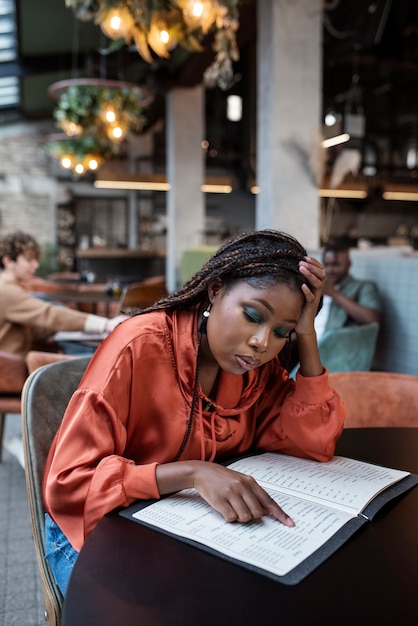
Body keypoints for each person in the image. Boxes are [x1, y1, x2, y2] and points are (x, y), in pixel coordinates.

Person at [43, 229, 346, 595]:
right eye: (253, 315)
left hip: (187, 530)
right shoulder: (138, 346)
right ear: (216, 290)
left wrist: (307, 334)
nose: (262, 343)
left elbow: (314, 442)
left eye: (281, 331)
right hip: (96, 530)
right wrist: (191, 473)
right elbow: (68, 484)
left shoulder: (256, 369)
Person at [0, 231, 127, 357]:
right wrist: (105, 324)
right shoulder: (6, 291)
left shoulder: (11, 289)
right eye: (29, 260)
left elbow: (23, 327)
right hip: (12, 368)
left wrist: (51, 331)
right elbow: (49, 313)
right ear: (8, 261)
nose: (36, 265)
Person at [315, 239, 382, 341]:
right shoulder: (319, 286)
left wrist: (334, 293)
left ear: (348, 265)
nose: (329, 270)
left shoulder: (363, 287)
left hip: (332, 349)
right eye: (326, 264)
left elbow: (372, 319)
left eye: (335, 265)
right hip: (305, 344)